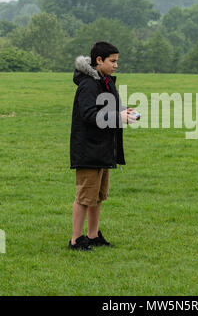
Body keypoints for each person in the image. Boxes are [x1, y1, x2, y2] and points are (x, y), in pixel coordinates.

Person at [69, 41, 136, 250]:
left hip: (103, 148)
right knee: (84, 197)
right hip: (88, 149)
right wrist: (118, 116)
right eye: (112, 61)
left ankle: (93, 235)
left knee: (98, 196)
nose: (116, 65)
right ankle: (76, 240)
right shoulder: (88, 85)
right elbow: (89, 114)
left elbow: (108, 106)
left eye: (117, 61)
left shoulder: (106, 81)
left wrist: (124, 110)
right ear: (99, 61)